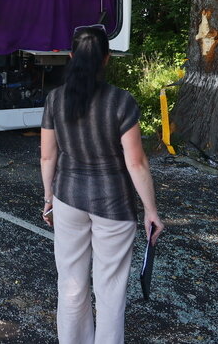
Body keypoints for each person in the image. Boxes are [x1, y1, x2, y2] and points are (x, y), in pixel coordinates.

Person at [40, 26, 163, 344]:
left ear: (70, 57)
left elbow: (47, 157)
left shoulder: (54, 100)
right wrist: (151, 210)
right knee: (110, 289)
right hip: (115, 206)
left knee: (71, 284)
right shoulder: (121, 102)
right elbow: (136, 162)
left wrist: (48, 198)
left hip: (68, 199)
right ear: (106, 59)